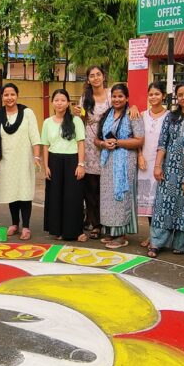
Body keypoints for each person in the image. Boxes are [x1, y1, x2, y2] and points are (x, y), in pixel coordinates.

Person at [149, 82, 184, 256]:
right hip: (169, 169)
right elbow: (162, 143)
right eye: (180, 95)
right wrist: (157, 166)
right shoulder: (171, 117)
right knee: (163, 205)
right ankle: (157, 242)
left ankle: (181, 244)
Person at [95, 83, 144, 249]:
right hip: (108, 161)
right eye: (114, 96)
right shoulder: (106, 115)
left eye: (120, 96)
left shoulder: (133, 114)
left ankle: (121, 235)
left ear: (127, 98)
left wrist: (118, 143)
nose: (117, 99)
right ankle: (111, 231)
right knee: (108, 198)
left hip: (125, 161)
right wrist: (103, 143)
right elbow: (96, 139)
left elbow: (139, 139)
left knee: (121, 197)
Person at [0, 83, 41, 241]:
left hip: (24, 159)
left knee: (24, 193)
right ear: (2, 97)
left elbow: (35, 136)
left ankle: (26, 226)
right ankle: (14, 223)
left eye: (12, 94)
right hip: (6, 160)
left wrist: (36, 157)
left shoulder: (27, 113)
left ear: (17, 96)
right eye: (6, 95)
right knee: (11, 193)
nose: (9, 98)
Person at [41, 89, 86, 241]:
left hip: (72, 161)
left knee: (73, 197)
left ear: (67, 103)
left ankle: (76, 231)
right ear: (52, 102)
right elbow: (45, 146)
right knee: (55, 197)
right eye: (56, 100)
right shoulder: (47, 122)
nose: (59, 103)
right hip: (54, 161)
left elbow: (81, 143)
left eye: (62, 100)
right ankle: (57, 230)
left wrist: (81, 164)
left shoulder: (76, 121)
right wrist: (46, 166)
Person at [72, 66, 109, 240]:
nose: (95, 78)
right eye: (92, 76)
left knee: (106, 186)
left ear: (103, 77)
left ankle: (109, 222)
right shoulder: (85, 98)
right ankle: (95, 224)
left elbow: (123, 109)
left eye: (98, 75)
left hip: (108, 144)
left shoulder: (111, 95)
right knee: (91, 187)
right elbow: (83, 120)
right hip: (89, 145)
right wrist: (78, 114)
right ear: (88, 80)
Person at [137, 82, 169, 247]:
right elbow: (138, 138)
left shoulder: (169, 116)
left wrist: (162, 164)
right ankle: (152, 236)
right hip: (144, 165)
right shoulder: (142, 115)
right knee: (148, 204)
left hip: (162, 164)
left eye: (157, 94)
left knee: (160, 202)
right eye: (151, 94)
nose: (153, 97)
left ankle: (161, 238)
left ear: (163, 95)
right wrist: (140, 156)